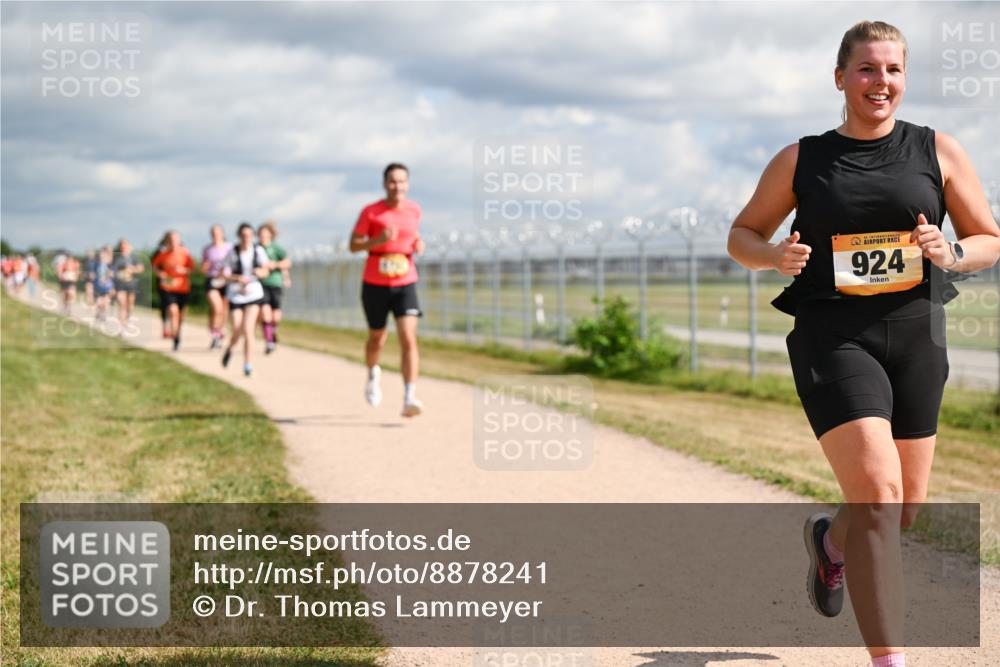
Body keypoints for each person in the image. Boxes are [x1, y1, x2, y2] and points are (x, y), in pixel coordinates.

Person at [727, 20, 1000, 667]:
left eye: (893, 69)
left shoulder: (938, 150)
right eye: (868, 68)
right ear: (840, 78)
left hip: (917, 334)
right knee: (878, 494)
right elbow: (742, 235)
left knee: (901, 508)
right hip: (833, 335)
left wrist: (950, 252)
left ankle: (831, 545)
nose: (882, 81)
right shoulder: (802, 159)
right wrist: (773, 255)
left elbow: (989, 239)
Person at [350, 162, 426, 417]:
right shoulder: (371, 212)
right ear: (385, 184)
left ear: (408, 184)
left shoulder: (414, 210)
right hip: (375, 283)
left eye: (402, 181)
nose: (397, 186)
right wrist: (378, 240)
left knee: (408, 337)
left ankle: (409, 396)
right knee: (377, 339)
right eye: (393, 181)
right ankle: (373, 373)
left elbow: (413, 235)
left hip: (405, 281)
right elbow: (353, 245)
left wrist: (418, 243)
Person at [220, 222, 269, 376]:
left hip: (253, 295)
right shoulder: (232, 252)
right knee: (237, 329)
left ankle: (247, 363)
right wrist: (237, 278)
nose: (246, 238)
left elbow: (266, 270)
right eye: (243, 235)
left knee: (248, 329)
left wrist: (260, 273)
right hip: (236, 295)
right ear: (239, 236)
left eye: (249, 235)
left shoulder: (258, 250)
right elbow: (224, 273)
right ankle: (230, 348)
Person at [151, 231, 194, 351]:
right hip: (168, 287)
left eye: (175, 240)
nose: (173, 242)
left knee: (180, 314)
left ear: (179, 241)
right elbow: (154, 266)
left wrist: (183, 270)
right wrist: (160, 273)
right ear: (167, 241)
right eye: (171, 240)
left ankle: (177, 334)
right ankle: (175, 336)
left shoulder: (185, 253)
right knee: (173, 310)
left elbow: (192, 269)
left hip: (183, 288)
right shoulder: (163, 253)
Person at [257, 220, 292, 354]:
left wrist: (275, 265)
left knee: (275, 316)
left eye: (265, 233)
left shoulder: (276, 248)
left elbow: (287, 263)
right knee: (265, 313)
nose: (262, 236)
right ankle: (269, 341)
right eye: (260, 233)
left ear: (270, 235)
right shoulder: (256, 248)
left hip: (275, 283)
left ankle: (273, 330)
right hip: (261, 285)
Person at [201, 224, 232, 349]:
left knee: (224, 310)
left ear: (222, 233)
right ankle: (215, 335)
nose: (215, 235)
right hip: (212, 280)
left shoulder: (230, 247)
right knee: (217, 307)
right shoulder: (207, 249)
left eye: (218, 232)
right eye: (213, 233)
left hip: (227, 280)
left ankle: (219, 330)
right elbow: (203, 268)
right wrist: (205, 266)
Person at [113, 238, 144, 334]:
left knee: (129, 305)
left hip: (132, 284)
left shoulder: (133, 257)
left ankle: (127, 320)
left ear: (128, 246)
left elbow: (141, 268)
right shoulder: (116, 257)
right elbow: (112, 270)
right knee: (121, 304)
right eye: (121, 246)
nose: (123, 247)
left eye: (125, 245)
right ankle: (121, 328)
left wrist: (132, 269)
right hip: (120, 284)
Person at [92, 246, 116, 322]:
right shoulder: (97, 264)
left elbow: (113, 275)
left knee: (106, 301)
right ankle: (99, 312)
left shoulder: (112, 265)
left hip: (108, 285)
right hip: (98, 285)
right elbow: (94, 274)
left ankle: (103, 314)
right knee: (99, 301)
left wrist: (109, 277)